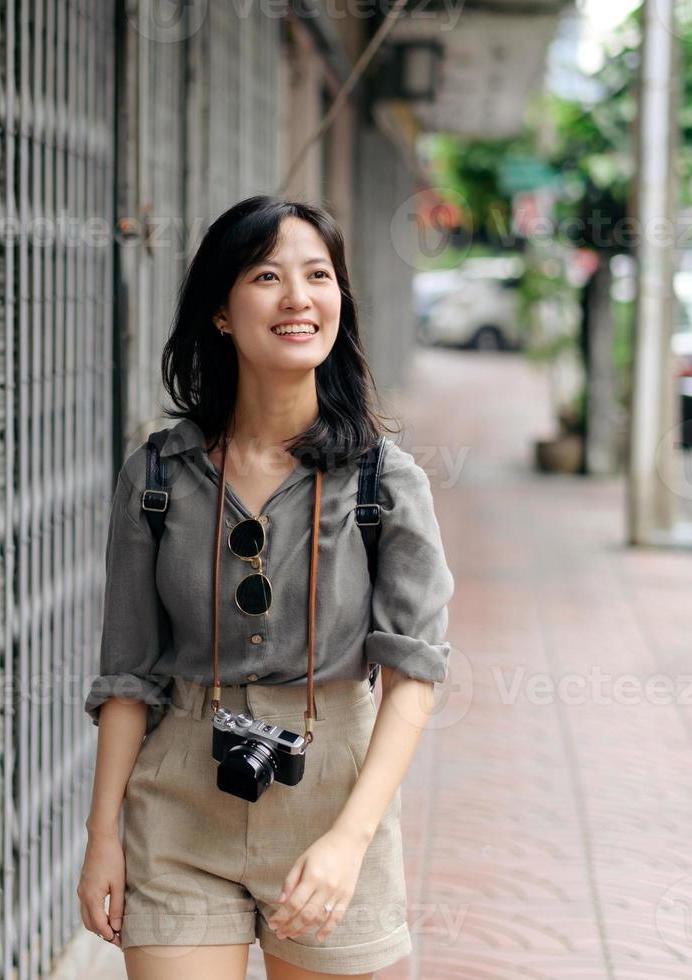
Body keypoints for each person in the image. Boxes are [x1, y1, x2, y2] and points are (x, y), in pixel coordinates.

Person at [77, 196, 456, 979]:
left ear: (339, 300)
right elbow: (127, 673)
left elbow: (414, 676)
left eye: (318, 275)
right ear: (220, 311)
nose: (297, 297)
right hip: (180, 796)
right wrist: (102, 836)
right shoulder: (158, 476)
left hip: (331, 796)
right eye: (266, 275)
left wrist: (351, 842)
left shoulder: (385, 481)